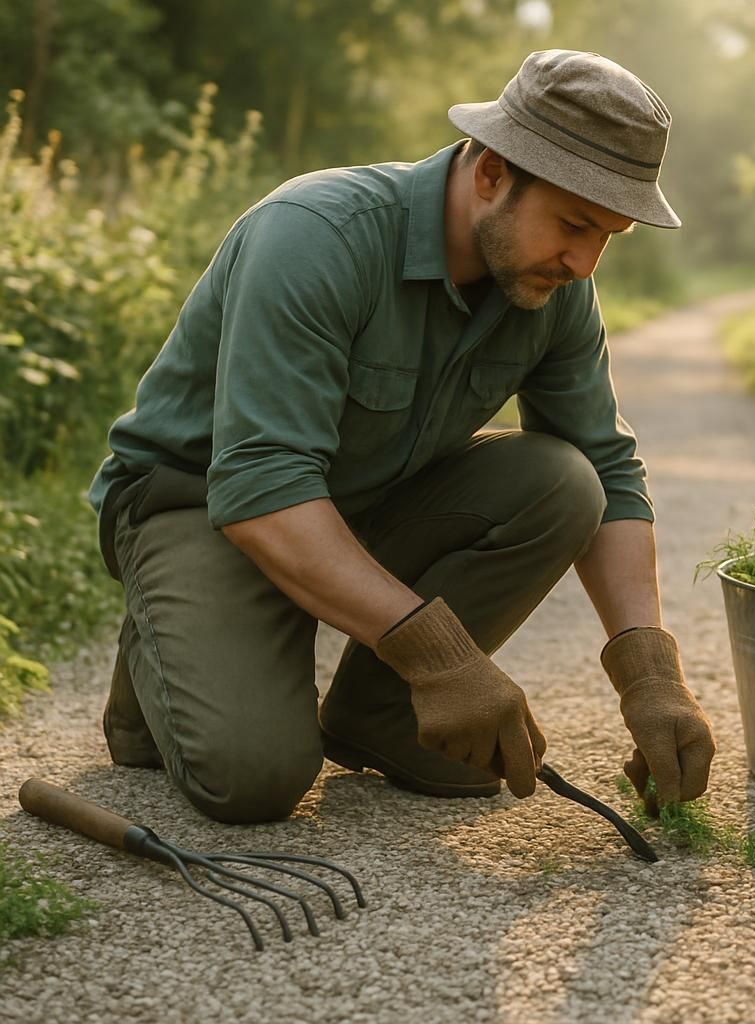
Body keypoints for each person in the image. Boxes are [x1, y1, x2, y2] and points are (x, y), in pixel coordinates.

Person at [89, 49, 717, 824]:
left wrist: (650, 675)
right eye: (575, 223)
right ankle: (161, 662)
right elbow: (259, 489)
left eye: (609, 236)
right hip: (202, 508)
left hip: (354, 505)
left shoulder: (552, 288)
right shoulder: (317, 235)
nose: (585, 261)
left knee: (565, 481)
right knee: (255, 779)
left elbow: (609, 471)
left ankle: (380, 714)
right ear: (491, 173)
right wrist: (440, 655)